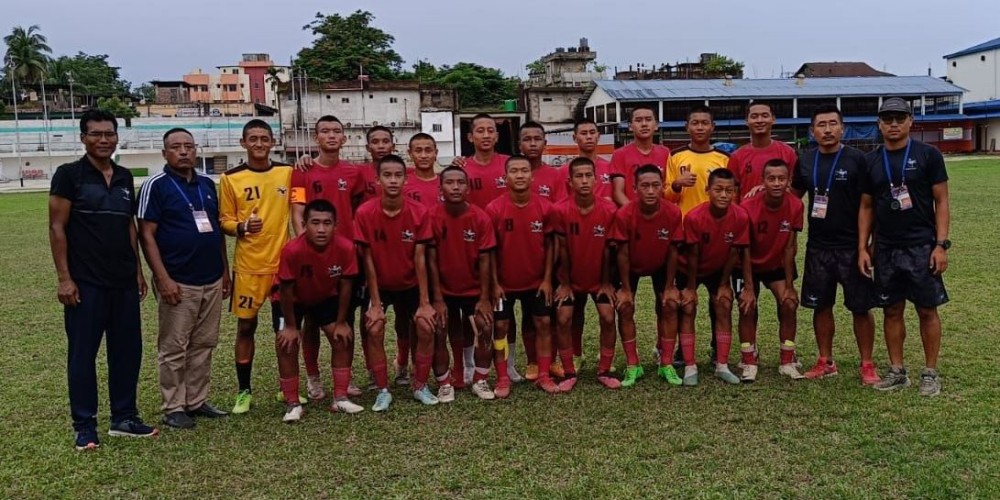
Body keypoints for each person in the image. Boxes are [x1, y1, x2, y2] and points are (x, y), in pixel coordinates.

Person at [49, 110, 158, 450]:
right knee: (83, 354)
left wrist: (138, 270)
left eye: (108, 134)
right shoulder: (69, 176)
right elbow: (57, 227)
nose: (103, 140)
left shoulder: (124, 177)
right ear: (83, 138)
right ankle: (84, 426)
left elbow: (129, 225)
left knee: (127, 352)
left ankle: (124, 417)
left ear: (116, 137)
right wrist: (65, 278)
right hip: (86, 283)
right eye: (95, 134)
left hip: (122, 281)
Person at [137, 128, 231, 430]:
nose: (183, 151)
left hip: (211, 277)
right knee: (174, 346)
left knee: (204, 343)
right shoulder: (156, 185)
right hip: (178, 280)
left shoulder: (206, 184)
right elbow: (146, 234)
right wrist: (162, 278)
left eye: (188, 146)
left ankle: (196, 400)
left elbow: (215, 232)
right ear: (165, 153)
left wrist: (225, 271)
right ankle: (174, 406)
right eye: (176, 147)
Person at [859, 97, 950, 396]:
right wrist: (864, 246)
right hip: (885, 248)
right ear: (879, 124)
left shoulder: (928, 155)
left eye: (900, 118)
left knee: (927, 310)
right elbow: (867, 206)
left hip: (921, 246)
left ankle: (930, 372)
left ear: (911, 121)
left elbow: (942, 202)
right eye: (887, 119)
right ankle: (897, 371)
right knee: (891, 310)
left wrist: (940, 245)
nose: (894, 124)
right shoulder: (871, 160)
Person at [791, 105, 880, 384]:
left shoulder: (858, 160)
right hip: (818, 247)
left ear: (843, 128)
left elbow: (871, 205)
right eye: (821, 125)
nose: (827, 130)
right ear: (812, 130)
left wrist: (868, 246)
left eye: (833, 124)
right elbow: (793, 199)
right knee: (821, 306)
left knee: (860, 307)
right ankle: (825, 360)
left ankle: (867, 363)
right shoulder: (805, 160)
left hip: (852, 247)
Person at [218, 119, 293, 414]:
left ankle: (285, 387)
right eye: (253, 139)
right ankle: (244, 392)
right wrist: (242, 226)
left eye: (264, 138)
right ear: (243, 143)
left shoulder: (287, 173)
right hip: (248, 267)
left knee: (284, 328)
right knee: (246, 326)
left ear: (273, 142)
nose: (259, 144)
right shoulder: (230, 178)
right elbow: (223, 220)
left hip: (281, 267)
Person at [355, 154, 440, 407]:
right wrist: (376, 303)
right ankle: (382, 389)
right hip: (380, 284)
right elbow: (367, 260)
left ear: (406, 179)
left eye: (398, 175)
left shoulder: (419, 212)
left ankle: (420, 385)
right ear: (378, 179)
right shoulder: (365, 212)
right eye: (387, 175)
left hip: (411, 283)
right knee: (374, 326)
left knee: (426, 325)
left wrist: (425, 302)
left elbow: (420, 259)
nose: (393, 180)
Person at [289, 115, 363, 401]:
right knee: (310, 319)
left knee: (345, 316)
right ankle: (313, 378)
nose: (331, 136)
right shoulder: (302, 171)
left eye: (336, 131)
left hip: (345, 256)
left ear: (344, 138)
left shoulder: (353, 172)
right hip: (312, 257)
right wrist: (304, 246)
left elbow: (356, 209)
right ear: (316, 138)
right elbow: (297, 209)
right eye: (325, 131)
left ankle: (346, 375)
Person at [276, 200, 359, 420]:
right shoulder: (292, 250)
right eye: (315, 223)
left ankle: (340, 398)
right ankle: (292, 403)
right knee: (286, 342)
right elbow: (285, 290)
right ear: (304, 224)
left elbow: (346, 287)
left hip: (324, 296)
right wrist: (291, 326)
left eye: (327, 223)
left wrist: (341, 322)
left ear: (336, 225)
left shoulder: (345, 247)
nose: (321, 229)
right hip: (291, 300)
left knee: (343, 337)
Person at [487, 156, 557, 394]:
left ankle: (544, 374)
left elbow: (550, 247)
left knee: (544, 323)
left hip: (537, 282)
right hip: (503, 284)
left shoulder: (545, 207)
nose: (519, 175)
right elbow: (489, 251)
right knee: (501, 327)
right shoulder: (494, 208)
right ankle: (503, 378)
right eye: (514, 171)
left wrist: (548, 279)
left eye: (524, 171)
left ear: (532, 176)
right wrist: (494, 283)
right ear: (505, 177)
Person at [678, 169, 755, 386]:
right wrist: (691, 288)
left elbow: (736, 252)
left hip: (717, 270)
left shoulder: (740, 216)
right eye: (718, 189)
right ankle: (690, 366)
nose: (723, 195)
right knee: (688, 306)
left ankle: (722, 365)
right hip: (688, 270)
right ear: (707, 190)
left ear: (734, 193)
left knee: (724, 303)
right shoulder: (694, 217)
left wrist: (724, 284)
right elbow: (692, 255)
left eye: (728, 191)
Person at [610, 164, 684, 387]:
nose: (651, 191)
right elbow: (621, 253)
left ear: (663, 187)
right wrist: (624, 288)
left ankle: (666, 363)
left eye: (655, 185)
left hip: (660, 262)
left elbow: (673, 250)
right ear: (634, 188)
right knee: (624, 307)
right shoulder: (624, 214)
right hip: (630, 265)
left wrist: (670, 285)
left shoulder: (672, 212)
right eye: (645, 186)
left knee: (669, 304)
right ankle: (633, 365)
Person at [429, 166, 499, 400]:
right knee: (438, 330)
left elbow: (486, 259)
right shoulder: (432, 216)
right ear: (441, 188)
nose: (456, 187)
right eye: (450, 182)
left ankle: (480, 380)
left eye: (461, 182)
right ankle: (444, 383)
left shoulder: (480, 217)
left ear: (468, 188)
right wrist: (437, 299)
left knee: (486, 327)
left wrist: (484, 298)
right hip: (443, 291)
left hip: (473, 290)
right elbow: (430, 260)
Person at [552, 157, 620, 390]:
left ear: (596, 178)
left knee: (608, 316)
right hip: (570, 280)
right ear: (570, 181)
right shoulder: (560, 210)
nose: (584, 180)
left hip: (599, 279)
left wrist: (606, 282)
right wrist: (565, 284)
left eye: (588, 175)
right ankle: (569, 372)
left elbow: (610, 251)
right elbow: (561, 250)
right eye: (578, 176)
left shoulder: (610, 209)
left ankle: (604, 370)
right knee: (563, 318)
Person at [736, 159, 805, 382]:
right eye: (771, 178)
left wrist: (790, 287)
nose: (776, 183)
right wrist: (747, 287)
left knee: (789, 304)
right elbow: (744, 249)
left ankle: (787, 360)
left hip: (776, 264)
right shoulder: (747, 206)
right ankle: (748, 359)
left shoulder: (795, 205)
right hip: (748, 265)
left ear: (789, 181)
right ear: (762, 181)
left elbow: (789, 247)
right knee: (747, 306)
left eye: (781, 179)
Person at [665, 105, 731, 215]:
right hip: (685, 222)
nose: (700, 128)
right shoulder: (675, 156)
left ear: (712, 126)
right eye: (695, 123)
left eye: (705, 123)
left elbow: (731, 195)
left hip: (715, 222)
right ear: (687, 127)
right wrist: (677, 184)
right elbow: (668, 198)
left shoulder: (725, 158)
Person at [728, 102, 798, 199]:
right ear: (746, 121)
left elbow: (794, 189)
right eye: (754, 116)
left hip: (780, 212)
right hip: (747, 212)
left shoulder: (788, 152)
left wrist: (767, 188)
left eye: (765, 116)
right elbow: (733, 193)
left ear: (773, 119)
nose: (759, 120)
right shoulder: (737, 157)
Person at [610, 106, 671, 207]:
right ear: (630, 126)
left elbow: (667, 188)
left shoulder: (665, 152)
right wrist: (635, 213)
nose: (644, 124)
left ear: (656, 125)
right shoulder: (619, 154)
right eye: (638, 120)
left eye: (648, 120)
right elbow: (618, 192)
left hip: (659, 215)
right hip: (632, 216)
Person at [453, 113, 510, 209]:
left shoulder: (509, 164)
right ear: (470, 137)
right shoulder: (461, 167)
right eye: (480, 131)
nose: (486, 135)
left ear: (496, 136)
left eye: (490, 131)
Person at [519, 121, 567, 202]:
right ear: (519, 145)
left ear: (545, 144)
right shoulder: (511, 175)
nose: (533, 144)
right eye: (527, 139)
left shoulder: (555, 175)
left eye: (537, 139)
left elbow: (561, 208)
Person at [573, 118, 614, 201]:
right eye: (584, 133)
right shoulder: (565, 171)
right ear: (574, 138)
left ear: (598, 136)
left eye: (592, 133)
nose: (589, 137)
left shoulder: (610, 167)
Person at [404, 133, 442, 210]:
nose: (423, 156)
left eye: (428, 151)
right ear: (410, 154)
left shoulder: (447, 183)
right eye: (418, 151)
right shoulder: (402, 184)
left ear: (436, 153)